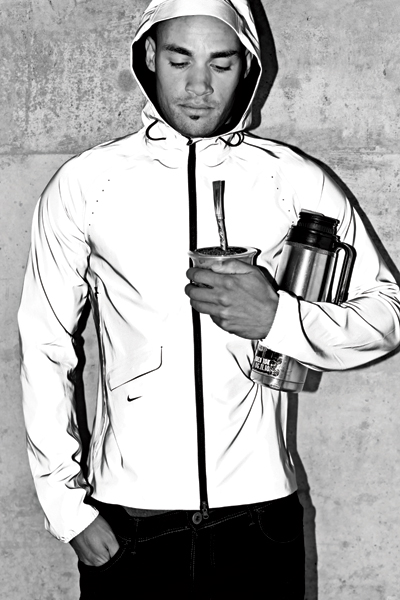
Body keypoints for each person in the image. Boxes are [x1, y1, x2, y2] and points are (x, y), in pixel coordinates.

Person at [18, 0, 400, 598]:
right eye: (180, 61)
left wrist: (280, 319)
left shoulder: (289, 178)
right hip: (131, 528)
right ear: (149, 56)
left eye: (221, 65)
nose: (199, 87)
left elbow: (387, 311)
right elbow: (45, 345)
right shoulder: (88, 184)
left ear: (246, 65)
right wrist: (66, 508)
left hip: (260, 523)